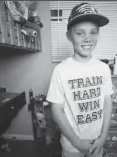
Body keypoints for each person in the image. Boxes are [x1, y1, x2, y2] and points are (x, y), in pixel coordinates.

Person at [47, 2, 113, 157]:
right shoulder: (60, 71)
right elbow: (56, 110)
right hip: (72, 146)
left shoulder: (103, 68)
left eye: (93, 32)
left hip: (97, 143)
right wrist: (76, 141)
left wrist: (103, 138)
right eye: (80, 33)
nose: (87, 39)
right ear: (69, 36)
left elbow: (107, 103)